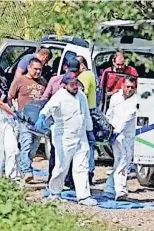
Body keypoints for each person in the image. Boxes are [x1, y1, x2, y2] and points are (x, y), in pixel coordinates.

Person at [35, 72, 97, 206]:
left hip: (81, 137)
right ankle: (55, 192)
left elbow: (86, 115)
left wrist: (90, 131)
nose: (75, 86)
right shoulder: (59, 97)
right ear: (65, 85)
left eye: (76, 83)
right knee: (61, 166)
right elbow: (48, 109)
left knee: (82, 166)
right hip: (64, 138)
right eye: (72, 84)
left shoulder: (81, 96)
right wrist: (42, 117)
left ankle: (83, 196)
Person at [42, 58, 81, 188]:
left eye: (76, 70)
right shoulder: (55, 81)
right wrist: (43, 116)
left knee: (72, 157)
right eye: (71, 69)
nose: (73, 72)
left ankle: (69, 181)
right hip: (56, 123)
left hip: (72, 126)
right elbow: (46, 97)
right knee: (57, 156)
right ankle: (52, 182)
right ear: (65, 67)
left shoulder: (79, 85)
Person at [8, 58, 47, 183]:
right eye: (35, 69)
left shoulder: (43, 82)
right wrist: (14, 111)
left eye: (40, 69)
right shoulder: (20, 80)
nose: (38, 72)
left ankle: (23, 166)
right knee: (26, 144)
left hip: (38, 122)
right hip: (24, 120)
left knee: (34, 147)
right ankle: (26, 171)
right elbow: (10, 97)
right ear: (29, 68)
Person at [104, 76, 137, 201]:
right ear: (122, 85)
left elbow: (128, 117)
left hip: (127, 136)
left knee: (121, 162)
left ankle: (109, 188)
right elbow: (109, 114)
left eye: (132, 88)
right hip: (116, 135)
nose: (129, 89)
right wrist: (109, 130)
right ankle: (121, 191)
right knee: (122, 161)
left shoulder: (135, 101)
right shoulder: (115, 98)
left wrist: (117, 132)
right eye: (127, 86)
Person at [76, 55, 97, 185]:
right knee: (89, 144)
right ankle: (89, 172)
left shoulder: (85, 76)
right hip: (90, 111)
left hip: (85, 113)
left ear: (82, 66)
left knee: (85, 145)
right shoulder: (90, 75)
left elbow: (82, 94)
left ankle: (87, 173)